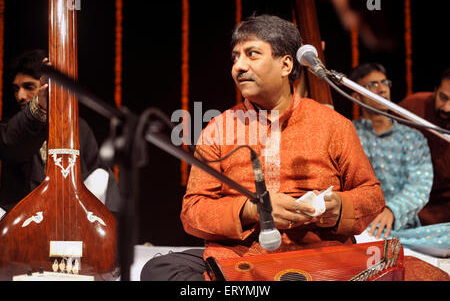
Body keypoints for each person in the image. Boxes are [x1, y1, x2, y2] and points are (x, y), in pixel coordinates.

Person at [141, 14, 387, 281]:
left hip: (316, 255)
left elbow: (372, 195)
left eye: (252, 54)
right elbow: (193, 211)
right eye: (235, 57)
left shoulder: (333, 125)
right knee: (158, 270)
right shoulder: (219, 128)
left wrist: (337, 205)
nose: (239, 66)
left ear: (285, 64)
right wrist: (252, 210)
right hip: (242, 258)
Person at [0, 49, 121, 217]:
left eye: (28, 87)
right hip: (23, 219)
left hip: (70, 215)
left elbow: (99, 176)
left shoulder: (79, 127)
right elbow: (12, 145)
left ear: (47, 86)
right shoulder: (11, 126)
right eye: (16, 89)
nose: (20, 96)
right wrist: (38, 107)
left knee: (101, 177)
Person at [349, 63, 434, 240]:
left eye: (385, 83)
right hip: (361, 231)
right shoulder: (348, 133)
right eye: (372, 85)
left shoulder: (412, 137)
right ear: (357, 96)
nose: (382, 89)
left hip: (404, 230)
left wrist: (392, 210)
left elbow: (420, 185)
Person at [398, 67, 450, 225]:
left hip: (443, 211)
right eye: (443, 97)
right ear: (435, 90)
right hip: (403, 200)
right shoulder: (412, 108)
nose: (447, 108)